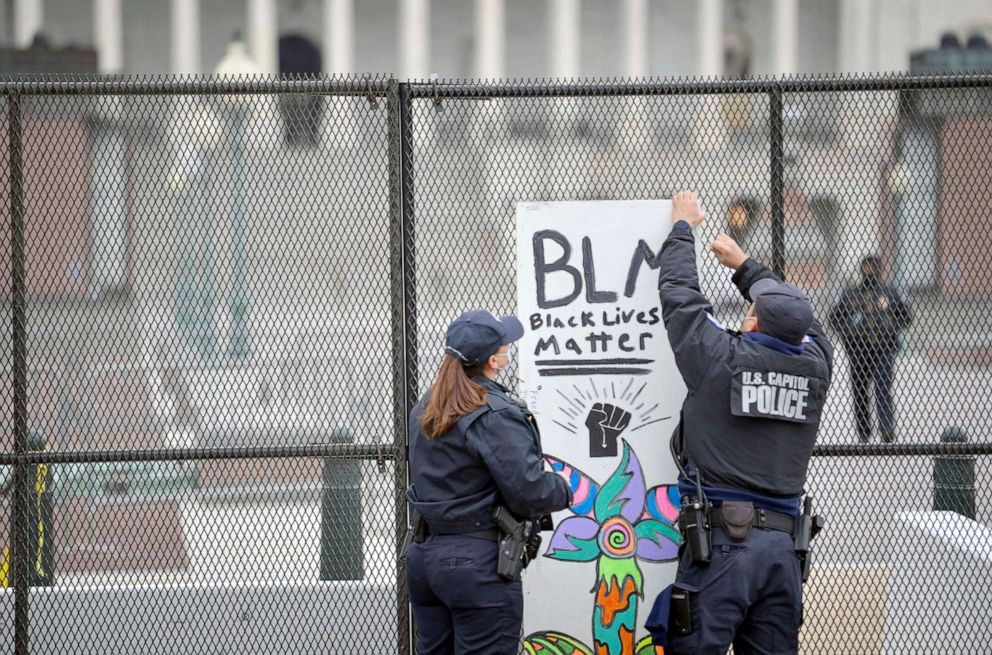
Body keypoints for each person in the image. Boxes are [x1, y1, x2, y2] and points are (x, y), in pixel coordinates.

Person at [645, 192, 834, 654]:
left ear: (751, 324)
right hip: (783, 551)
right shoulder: (818, 364)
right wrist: (747, 266)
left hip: (721, 546)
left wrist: (682, 228)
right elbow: (800, 317)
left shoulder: (720, 360)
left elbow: (680, 297)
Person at [404, 310, 571, 655]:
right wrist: (563, 488)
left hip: (425, 560)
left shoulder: (427, 406)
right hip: (476, 564)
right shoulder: (493, 411)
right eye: (505, 346)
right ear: (494, 359)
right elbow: (528, 492)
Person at [828, 255, 912, 443]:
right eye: (866, 266)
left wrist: (891, 327)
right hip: (858, 351)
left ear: (880, 269)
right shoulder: (849, 293)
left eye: (874, 266)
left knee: (883, 388)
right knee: (859, 391)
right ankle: (864, 431)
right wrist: (849, 332)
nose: (870, 270)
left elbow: (906, 316)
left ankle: (887, 428)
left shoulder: (890, 291)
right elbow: (833, 318)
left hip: (884, 349)